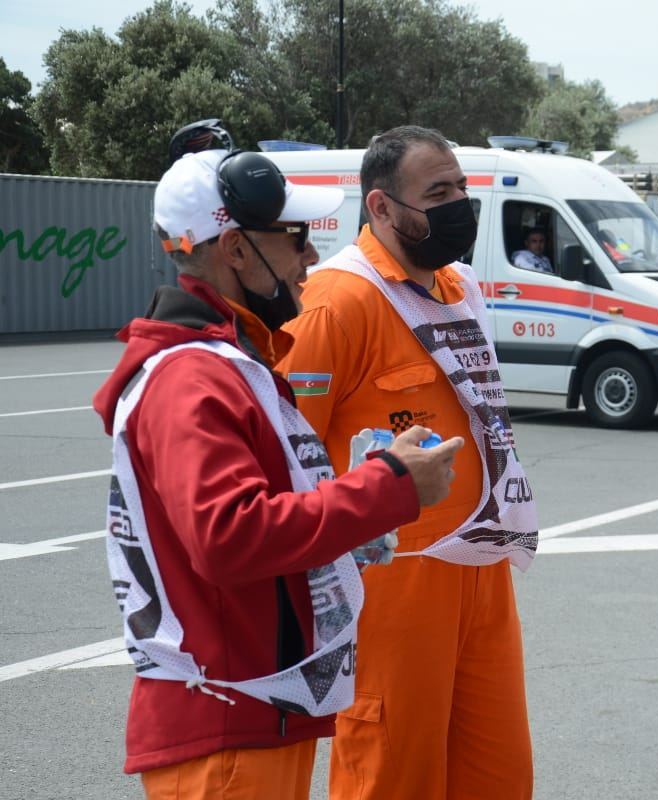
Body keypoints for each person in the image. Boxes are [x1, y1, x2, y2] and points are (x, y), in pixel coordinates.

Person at [92, 143, 463, 799]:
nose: (310, 258)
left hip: (253, 715)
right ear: (234, 250)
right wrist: (390, 487)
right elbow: (228, 536)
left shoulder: (228, 363)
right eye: (294, 238)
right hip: (225, 727)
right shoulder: (191, 376)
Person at [278, 125, 539, 800]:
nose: (459, 204)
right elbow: (286, 453)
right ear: (383, 208)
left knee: (497, 771)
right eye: (438, 192)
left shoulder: (458, 289)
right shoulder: (337, 302)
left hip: (479, 569)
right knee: (391, 772)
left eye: (462, 187)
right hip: (390, 586)